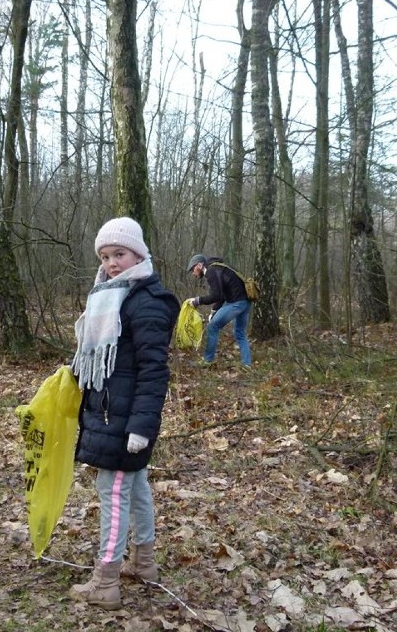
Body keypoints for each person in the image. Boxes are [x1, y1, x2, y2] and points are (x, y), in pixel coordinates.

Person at [69, 217, 179, 610]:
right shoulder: (110, 295)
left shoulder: (147, 301)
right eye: (105, 255)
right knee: (135, 489)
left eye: (120, 253)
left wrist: (141, 427)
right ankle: (144, 564)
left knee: (113, 494)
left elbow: (154, 371)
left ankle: (105, 581)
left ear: (138, 254)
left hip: (125, 421)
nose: (113, 262)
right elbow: (96, 358)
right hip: (108, 415)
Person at [185, 254, 252, 367]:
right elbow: (222, 294)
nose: (193, 273)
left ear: (200, 265)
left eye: (193, 269)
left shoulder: (210, 271)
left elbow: (215, 295)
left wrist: (197, 301)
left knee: (212, 327)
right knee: (240, 333)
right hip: (246, 302)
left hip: (236, 303)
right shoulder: (217, 267)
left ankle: (207, 361)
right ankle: (247, 365)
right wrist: (214, 310)